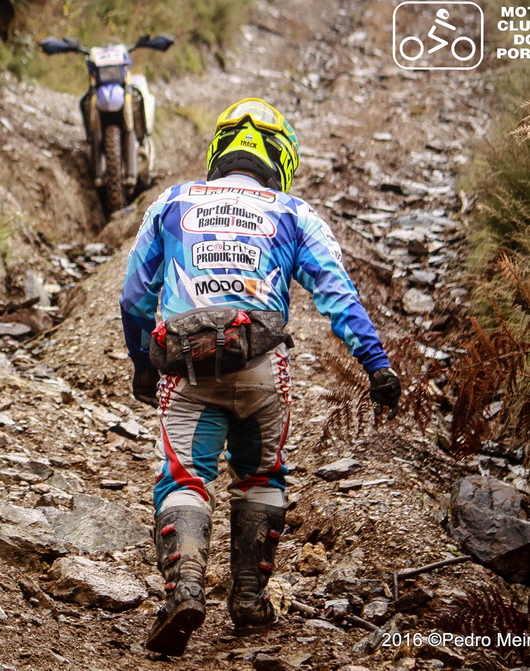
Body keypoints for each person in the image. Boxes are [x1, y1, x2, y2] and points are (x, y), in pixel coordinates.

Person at [119, 98, 401, 656]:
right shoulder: (294, 213)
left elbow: (134, 296)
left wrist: (142, 362)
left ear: (219, 151)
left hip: (190, 366)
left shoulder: (172, 201)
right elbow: (337, 294)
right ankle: (249, 598)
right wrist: (376, 364)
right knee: (262, 476)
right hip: (264, 366)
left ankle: (185, 591)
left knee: (184, 479)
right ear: (282, 158)